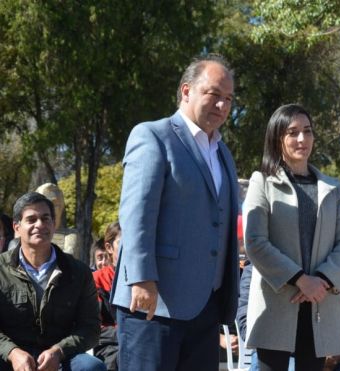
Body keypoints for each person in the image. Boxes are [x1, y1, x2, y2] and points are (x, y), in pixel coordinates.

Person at [111, 54, 240, 371]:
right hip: (153, 303)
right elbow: (136, 214)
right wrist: (141, 279)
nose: (222, 106)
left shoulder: (223, 153)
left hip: (205, 307)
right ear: (186, 91)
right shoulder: (153, 136)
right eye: (213, 94)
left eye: (228, 99)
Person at [243, 104, 340, 371]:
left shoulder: (333, 188)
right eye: (292, 132)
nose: (302, 139)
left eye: (307, 131)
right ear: (277, 138)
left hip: (320, 303)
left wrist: (321, 281)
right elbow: (256, 242)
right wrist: (300, 280)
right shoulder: (261, 182)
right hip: (276, 304)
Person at [0, 192, 105, 371]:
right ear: (16, 227)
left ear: (53, 224)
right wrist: (12, 352)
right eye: (31, 219)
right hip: (9, 357)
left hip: (61, 358)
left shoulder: (78, 272)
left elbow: (90, 329)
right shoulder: (2, 268)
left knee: (92, 367)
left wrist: (59, 351)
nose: (39, 225)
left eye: (45, 218)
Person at [237, 262, 340, 371]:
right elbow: (246, 323)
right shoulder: (255, 270)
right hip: (278, 354)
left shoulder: (329, 271)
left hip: (331, 350)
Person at [93, 222, 121, 370]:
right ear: (109, 247)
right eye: (124, 243)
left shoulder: (146, 281)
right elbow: (95, 327)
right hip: (110, 346)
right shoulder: (97, 279)